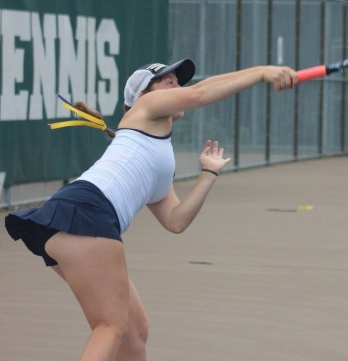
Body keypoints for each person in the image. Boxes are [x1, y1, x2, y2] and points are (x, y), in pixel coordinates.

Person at [4, 59, 298, 361]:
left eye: (177, 82)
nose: (177, 87)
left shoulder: (159, 158)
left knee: (135, 330)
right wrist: (261, 72)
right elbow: (200, 94)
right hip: (86, 212)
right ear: (142, 97)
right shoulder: (142, 111)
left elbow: (176, 220)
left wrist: (208, 174)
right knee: (110, 326)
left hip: (74, 219)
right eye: (167, 82)